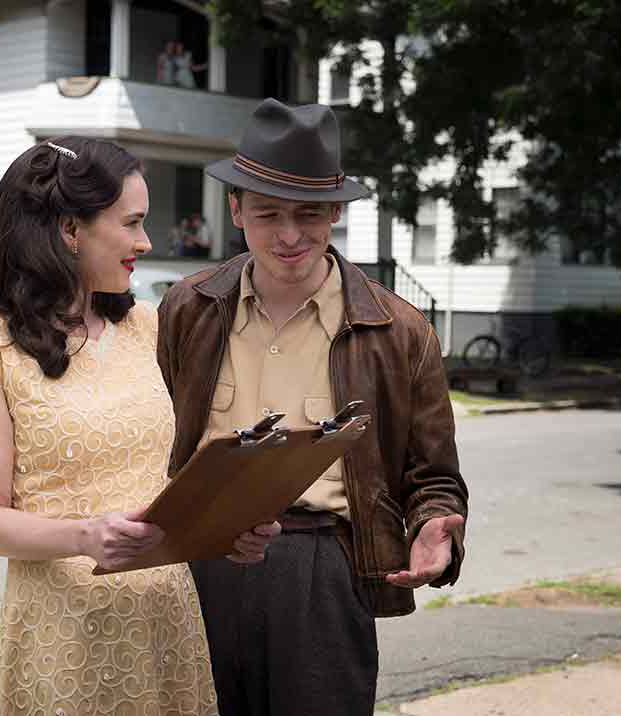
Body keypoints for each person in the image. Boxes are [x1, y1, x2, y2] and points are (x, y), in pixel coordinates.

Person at [0, 136, 280, 716]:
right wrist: (85, 537)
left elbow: (177, 473)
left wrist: (229, 525)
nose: (145, 242)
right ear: (70, 229)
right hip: (64, 640)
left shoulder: (147, 327)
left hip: (166, 627)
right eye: (132, 223)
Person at [156, 99, 469, 716]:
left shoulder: (400, 330)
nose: (290, 235)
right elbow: (151, 438)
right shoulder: (186, 310)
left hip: (328, 570)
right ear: (235, 208)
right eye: (268, 213)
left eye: (308, 213)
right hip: (199, 564)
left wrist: (436, 526)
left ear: (335, 212)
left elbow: (434, 477)